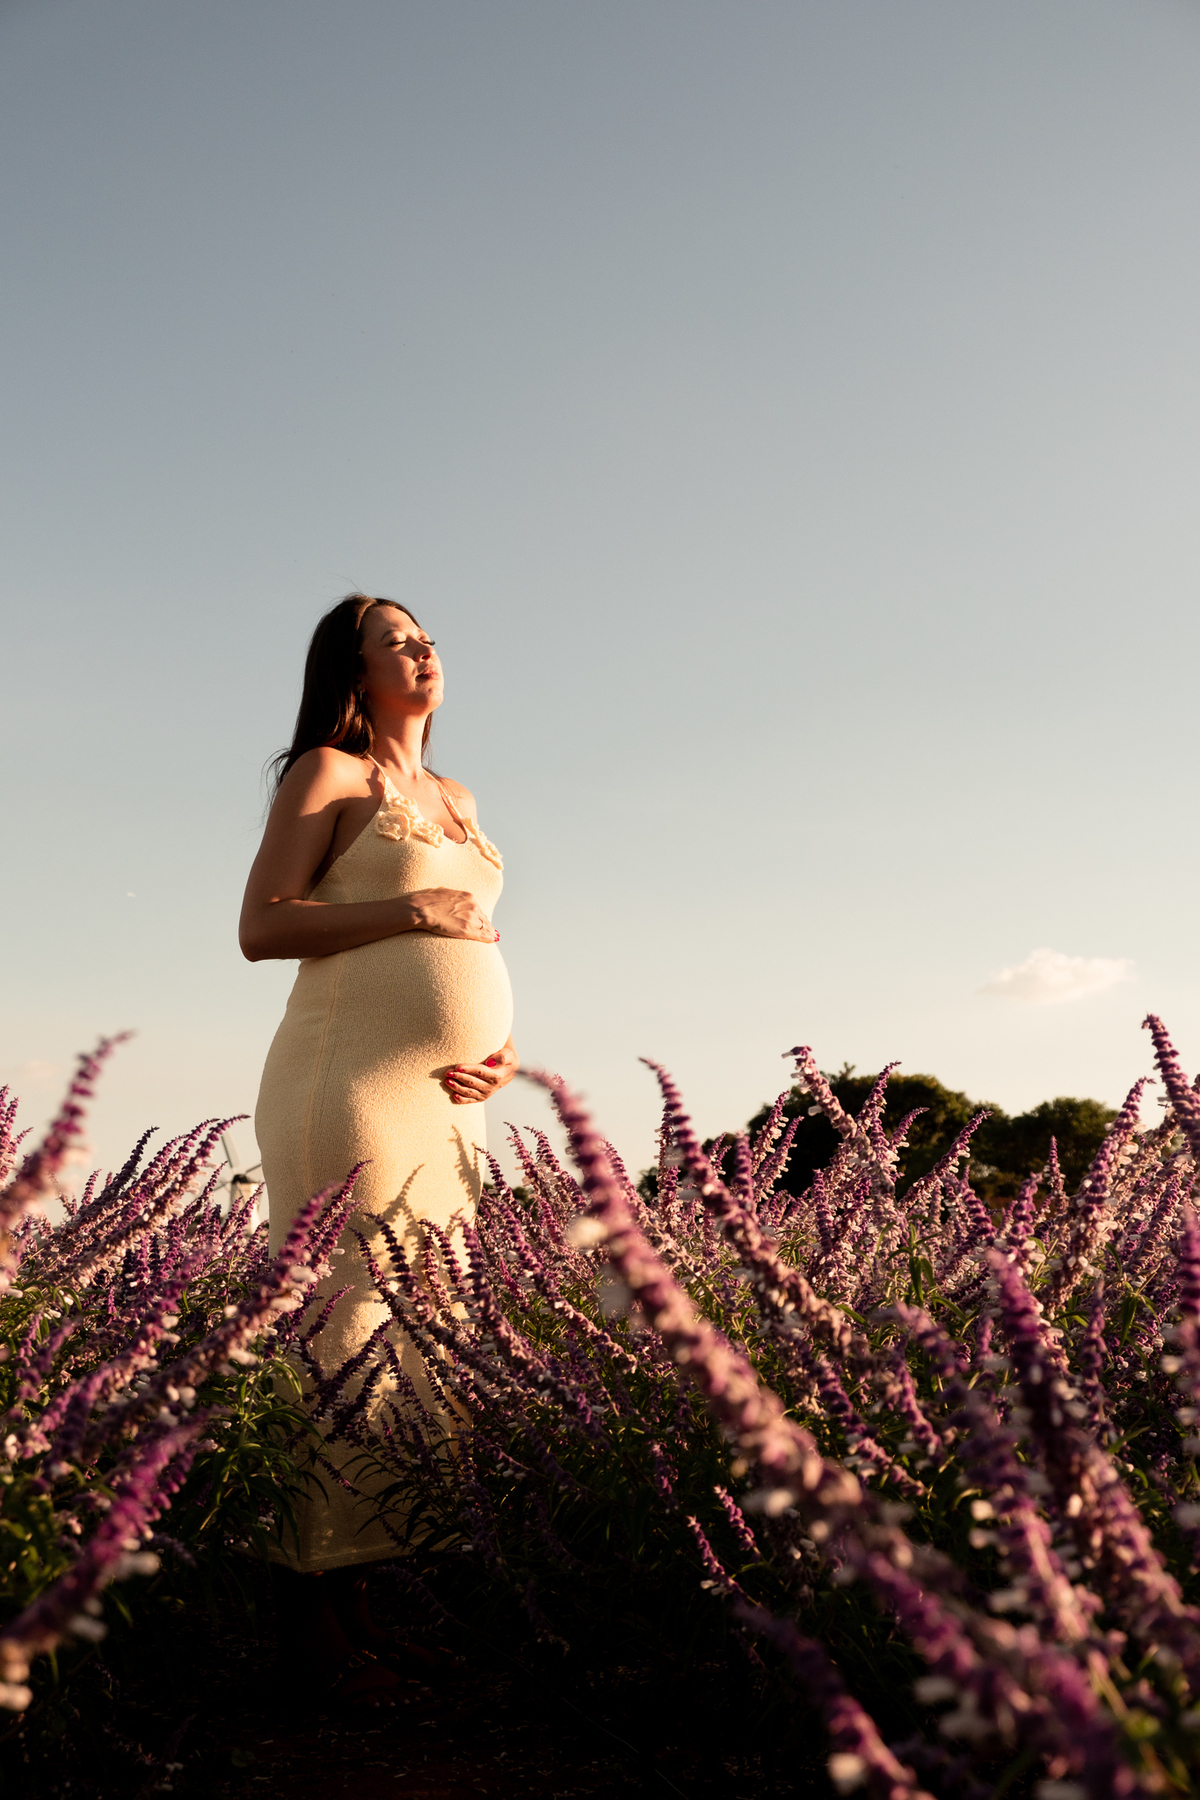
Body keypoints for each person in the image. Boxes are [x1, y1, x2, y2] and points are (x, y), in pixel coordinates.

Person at [239, 592, 517, 1700]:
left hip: (451, 1102)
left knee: (418, 1331)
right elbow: (264, 925)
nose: (425, 650)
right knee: (339, 1330)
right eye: (398, 640)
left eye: (429, 637)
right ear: (352, 672)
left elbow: (477, 936)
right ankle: (307, 1630)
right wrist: (410, 918)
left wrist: (501, 1047)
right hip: (346, 1082)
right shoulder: (327, 775)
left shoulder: (456, 797)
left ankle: (362, 1607)